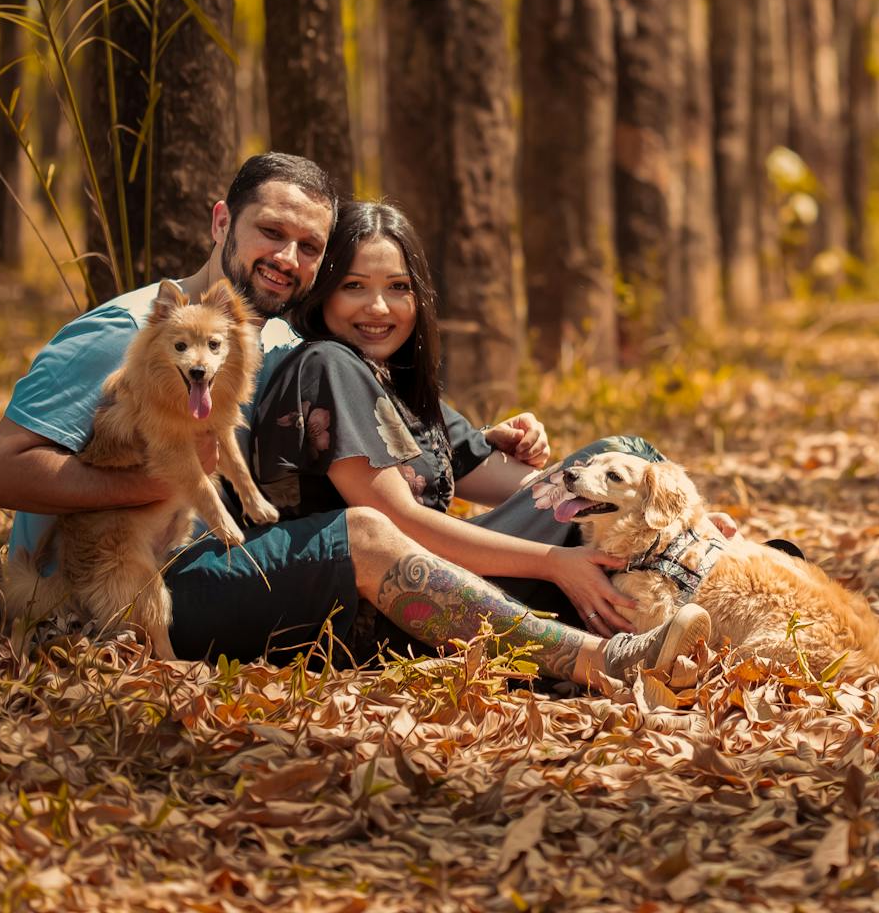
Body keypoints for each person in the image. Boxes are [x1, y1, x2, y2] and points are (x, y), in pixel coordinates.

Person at [0, 154, 707, 691]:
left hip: (246, 561)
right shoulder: (125, 331)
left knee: (623, 459)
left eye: (310, 247)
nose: (287, 257)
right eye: (270, 232)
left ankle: (725, 596)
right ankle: (594, 664)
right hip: (131, 582)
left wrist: (535, 458)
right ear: (223, 222)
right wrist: (165, 488)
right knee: (366, 531)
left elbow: (440, 445)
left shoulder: (290, 343)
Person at [246, 200, 718, 655]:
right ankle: (684, 608)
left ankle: (715, 583)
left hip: (459, 570)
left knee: (618, 473)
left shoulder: (400, 385)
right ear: (323, 290)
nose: (379, 308)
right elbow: (400, 525)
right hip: (397, 603)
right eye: (354, 286)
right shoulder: (327, 365)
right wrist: (556, 564)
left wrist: (664, 514)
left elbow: (532, 488)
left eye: (397, 287)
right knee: (623, 447)